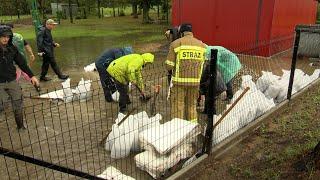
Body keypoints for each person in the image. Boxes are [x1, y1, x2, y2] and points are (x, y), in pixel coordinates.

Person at [0, 25, 39, 131]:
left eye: (8, 36)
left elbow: (22, 64)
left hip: (12, 81)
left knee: (18, 104)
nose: (5, 39)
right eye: (3, 36)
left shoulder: (12, 48)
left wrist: (32, 76)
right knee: (3, 105)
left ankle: (20, 127)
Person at [165, 23, 207, 123]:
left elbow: (169, 66)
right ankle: (192, 128)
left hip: (179, 83)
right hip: (195, 83)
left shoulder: (176, 44)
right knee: (192, 106)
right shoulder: (202, 45)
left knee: (177, 107)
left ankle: (178, 130)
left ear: (181, 33)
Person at [3, 24, 40, 91]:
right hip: (22, 59)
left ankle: (12, 89)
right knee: (27, 74)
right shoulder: (19, 36)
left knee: (15, 77)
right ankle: (37, 85)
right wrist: (31, 54)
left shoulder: (7, 39)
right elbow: (26, 45)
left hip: (14, 62)